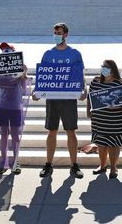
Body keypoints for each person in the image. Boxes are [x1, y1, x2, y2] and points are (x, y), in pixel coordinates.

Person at [35, 23, 86, 179]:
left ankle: (74, 165)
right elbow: (43, 76)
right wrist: (36, 91)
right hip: (52, 98)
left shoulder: (75, 54)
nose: (56, 35)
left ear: (66, 35)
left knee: (71, 131)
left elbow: (79, 75)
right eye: (55, 32)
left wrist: (84, 89)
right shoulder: (48, 54)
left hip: (69, 99)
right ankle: (49, 164)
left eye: (59, 33)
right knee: (52, 131)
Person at [86, 59, 122, 179]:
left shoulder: (119, 84)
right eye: (102, 66)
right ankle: (102, 165)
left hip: (114, 119)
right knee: (101, 143)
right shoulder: (95, 81)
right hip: (99, 118)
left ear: (113, 70)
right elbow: (89, 97)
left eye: (106, 67)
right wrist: (88, 110)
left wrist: (116, 106)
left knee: (114, 144)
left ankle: (113, 167)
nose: (103, 68)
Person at [0, 42, 28, 175]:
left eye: (8, 50)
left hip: (15, 105)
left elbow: (24, 89)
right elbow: (0, 81)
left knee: (15, 135)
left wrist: (23, 73)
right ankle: (2, 161)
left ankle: (15, 161)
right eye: (3, 50)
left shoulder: (20, 70)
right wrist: (19, 75)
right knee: (3, 134)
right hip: (2, 105)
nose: (5, 52)